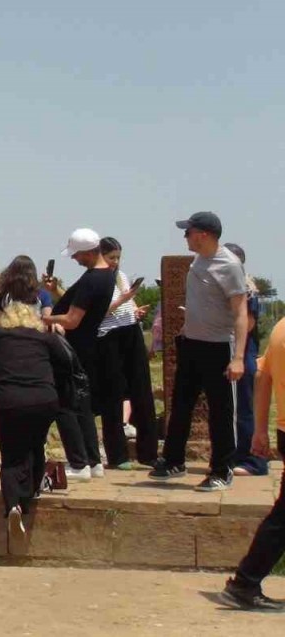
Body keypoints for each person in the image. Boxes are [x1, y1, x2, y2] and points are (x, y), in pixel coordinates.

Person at [150, 212, 249, 491]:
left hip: (219, 345)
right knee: (181, 405)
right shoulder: (198, 260)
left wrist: (239, 357)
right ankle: (173, 460)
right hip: (192, 343)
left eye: (188, 232)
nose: (185, 237)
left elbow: (240, 312)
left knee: (220, 411)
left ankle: (222, 469)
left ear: (203, 234)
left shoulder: (229, 265)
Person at [0, 300, 71, 540]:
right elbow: (66, 359)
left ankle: (13, 506)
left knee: (12, 455)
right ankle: (28, 497)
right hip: (44, 399)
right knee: (35, 446)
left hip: (11, 401)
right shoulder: (43, 338)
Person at [219, 317, 285, 610]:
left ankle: (245, 582)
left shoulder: (281, 328)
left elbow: (262, 377)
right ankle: (245, 582)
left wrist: (260, 429)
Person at [42, 228, 114, 481]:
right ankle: (92, 461)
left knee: (65, 405)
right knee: (82, 407)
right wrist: (56, 292)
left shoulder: (93, 279)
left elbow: (72, 320)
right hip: (85, 348)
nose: (74, 260)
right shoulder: (105, 276)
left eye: (77, 255)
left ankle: (78, 462)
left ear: (89, 252)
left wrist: (46, 318)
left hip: (72, 350)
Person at [95, 237, 159, 468]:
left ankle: (148, 451)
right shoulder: (94, 280)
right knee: (113, 395)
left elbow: (127, 305)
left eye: (118, 258)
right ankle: (117, 454)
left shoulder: (121, 277)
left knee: (141, 391)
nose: (115, 262)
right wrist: (123, 299)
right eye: (111, 257)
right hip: (108, 337)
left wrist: (135, 308)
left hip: (130, 331)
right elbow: (96, 312)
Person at [227, 243, 267, 477]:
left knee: (245, 409)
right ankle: (238, 455)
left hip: (243, 352)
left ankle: (254, 461)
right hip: (236, 351)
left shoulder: (244, 285)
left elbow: (248, 323)